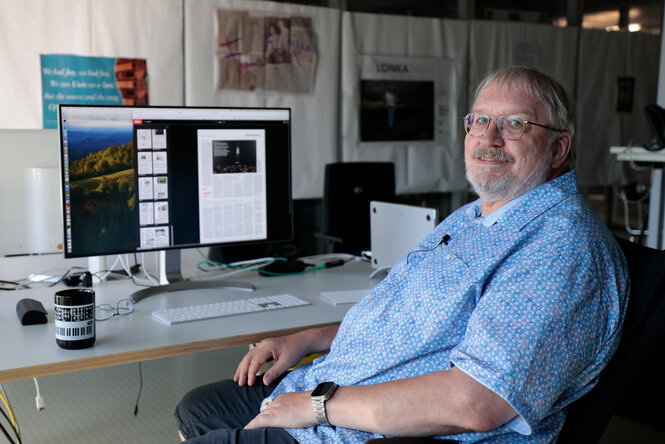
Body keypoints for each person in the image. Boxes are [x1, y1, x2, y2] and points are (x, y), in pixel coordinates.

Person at [174, 66, 629, 443]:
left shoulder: (559, 249)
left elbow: (473, 403)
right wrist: (311, 338)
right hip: (336, 384)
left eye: (515, 124)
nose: (490, 137)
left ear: (558, 148)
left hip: (364, 429)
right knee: (196, 409)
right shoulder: (478, 216)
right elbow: (409, 316)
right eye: (480, 120)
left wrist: (316, 407)